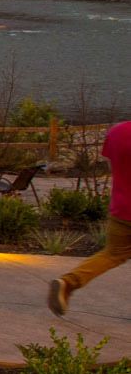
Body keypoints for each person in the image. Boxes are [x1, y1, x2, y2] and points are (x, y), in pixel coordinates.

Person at [50, 119, 130, 315]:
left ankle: (68, 282)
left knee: (111, 255)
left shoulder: (117, 132)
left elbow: (113, 169)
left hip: (122, 208)